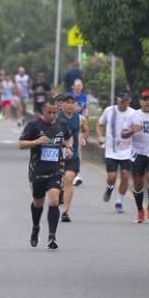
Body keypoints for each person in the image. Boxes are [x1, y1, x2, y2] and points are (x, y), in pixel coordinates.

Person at [19, 98, 73, 250]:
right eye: (49, 112)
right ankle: (36, 227)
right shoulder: (33, 126)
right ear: (43, 111)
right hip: (37, 170)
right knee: (38, 202)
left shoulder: (62, 125)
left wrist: (69, 147)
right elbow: (21, 144)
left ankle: (52, 236)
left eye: (55, 112)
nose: (52, 115)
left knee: (54, 200)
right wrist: (36, 142)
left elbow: (69, 138)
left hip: (55, 170)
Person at [122, 89, 149, 223]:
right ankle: (140, 210)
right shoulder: (133, 116)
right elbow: (123, 134)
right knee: (138, 184)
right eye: (144, 99)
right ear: (140, 101)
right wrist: (132, 130)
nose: (147, 102)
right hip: (137, 153)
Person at [97, 92, 136, 214]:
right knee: (112, 177)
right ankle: (109, 189)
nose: (125, 104)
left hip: (127, 150)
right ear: (117, 100)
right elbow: (100, 124)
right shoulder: (109, 111)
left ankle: (119, 202)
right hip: (111, 150)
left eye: (127, 102)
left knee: (125, 176)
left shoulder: (133, 113)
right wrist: (100, 136)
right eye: (122, 101)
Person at [58, 93, 87, 222]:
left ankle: (65, 212)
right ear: (61, 104)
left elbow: (85, 130)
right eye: (67, 102)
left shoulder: (80, 119)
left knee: (69, 179)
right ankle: (59, 194)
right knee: (59, 183)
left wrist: (82, 138)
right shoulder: (56, 117)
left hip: (73, 154)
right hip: (56, 155)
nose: (70, 105)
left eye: (72, 102)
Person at [70, 79, 89, 186]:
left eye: (80, 86)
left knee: (78, 150)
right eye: (76, 86)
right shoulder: (68, 96)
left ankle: (76, 175)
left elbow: (85, 108)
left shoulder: (83, 96)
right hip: (70, 122)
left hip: (80, 122)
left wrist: (86, 117)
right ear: (73, 87)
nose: (78, 88)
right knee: (68, 149)